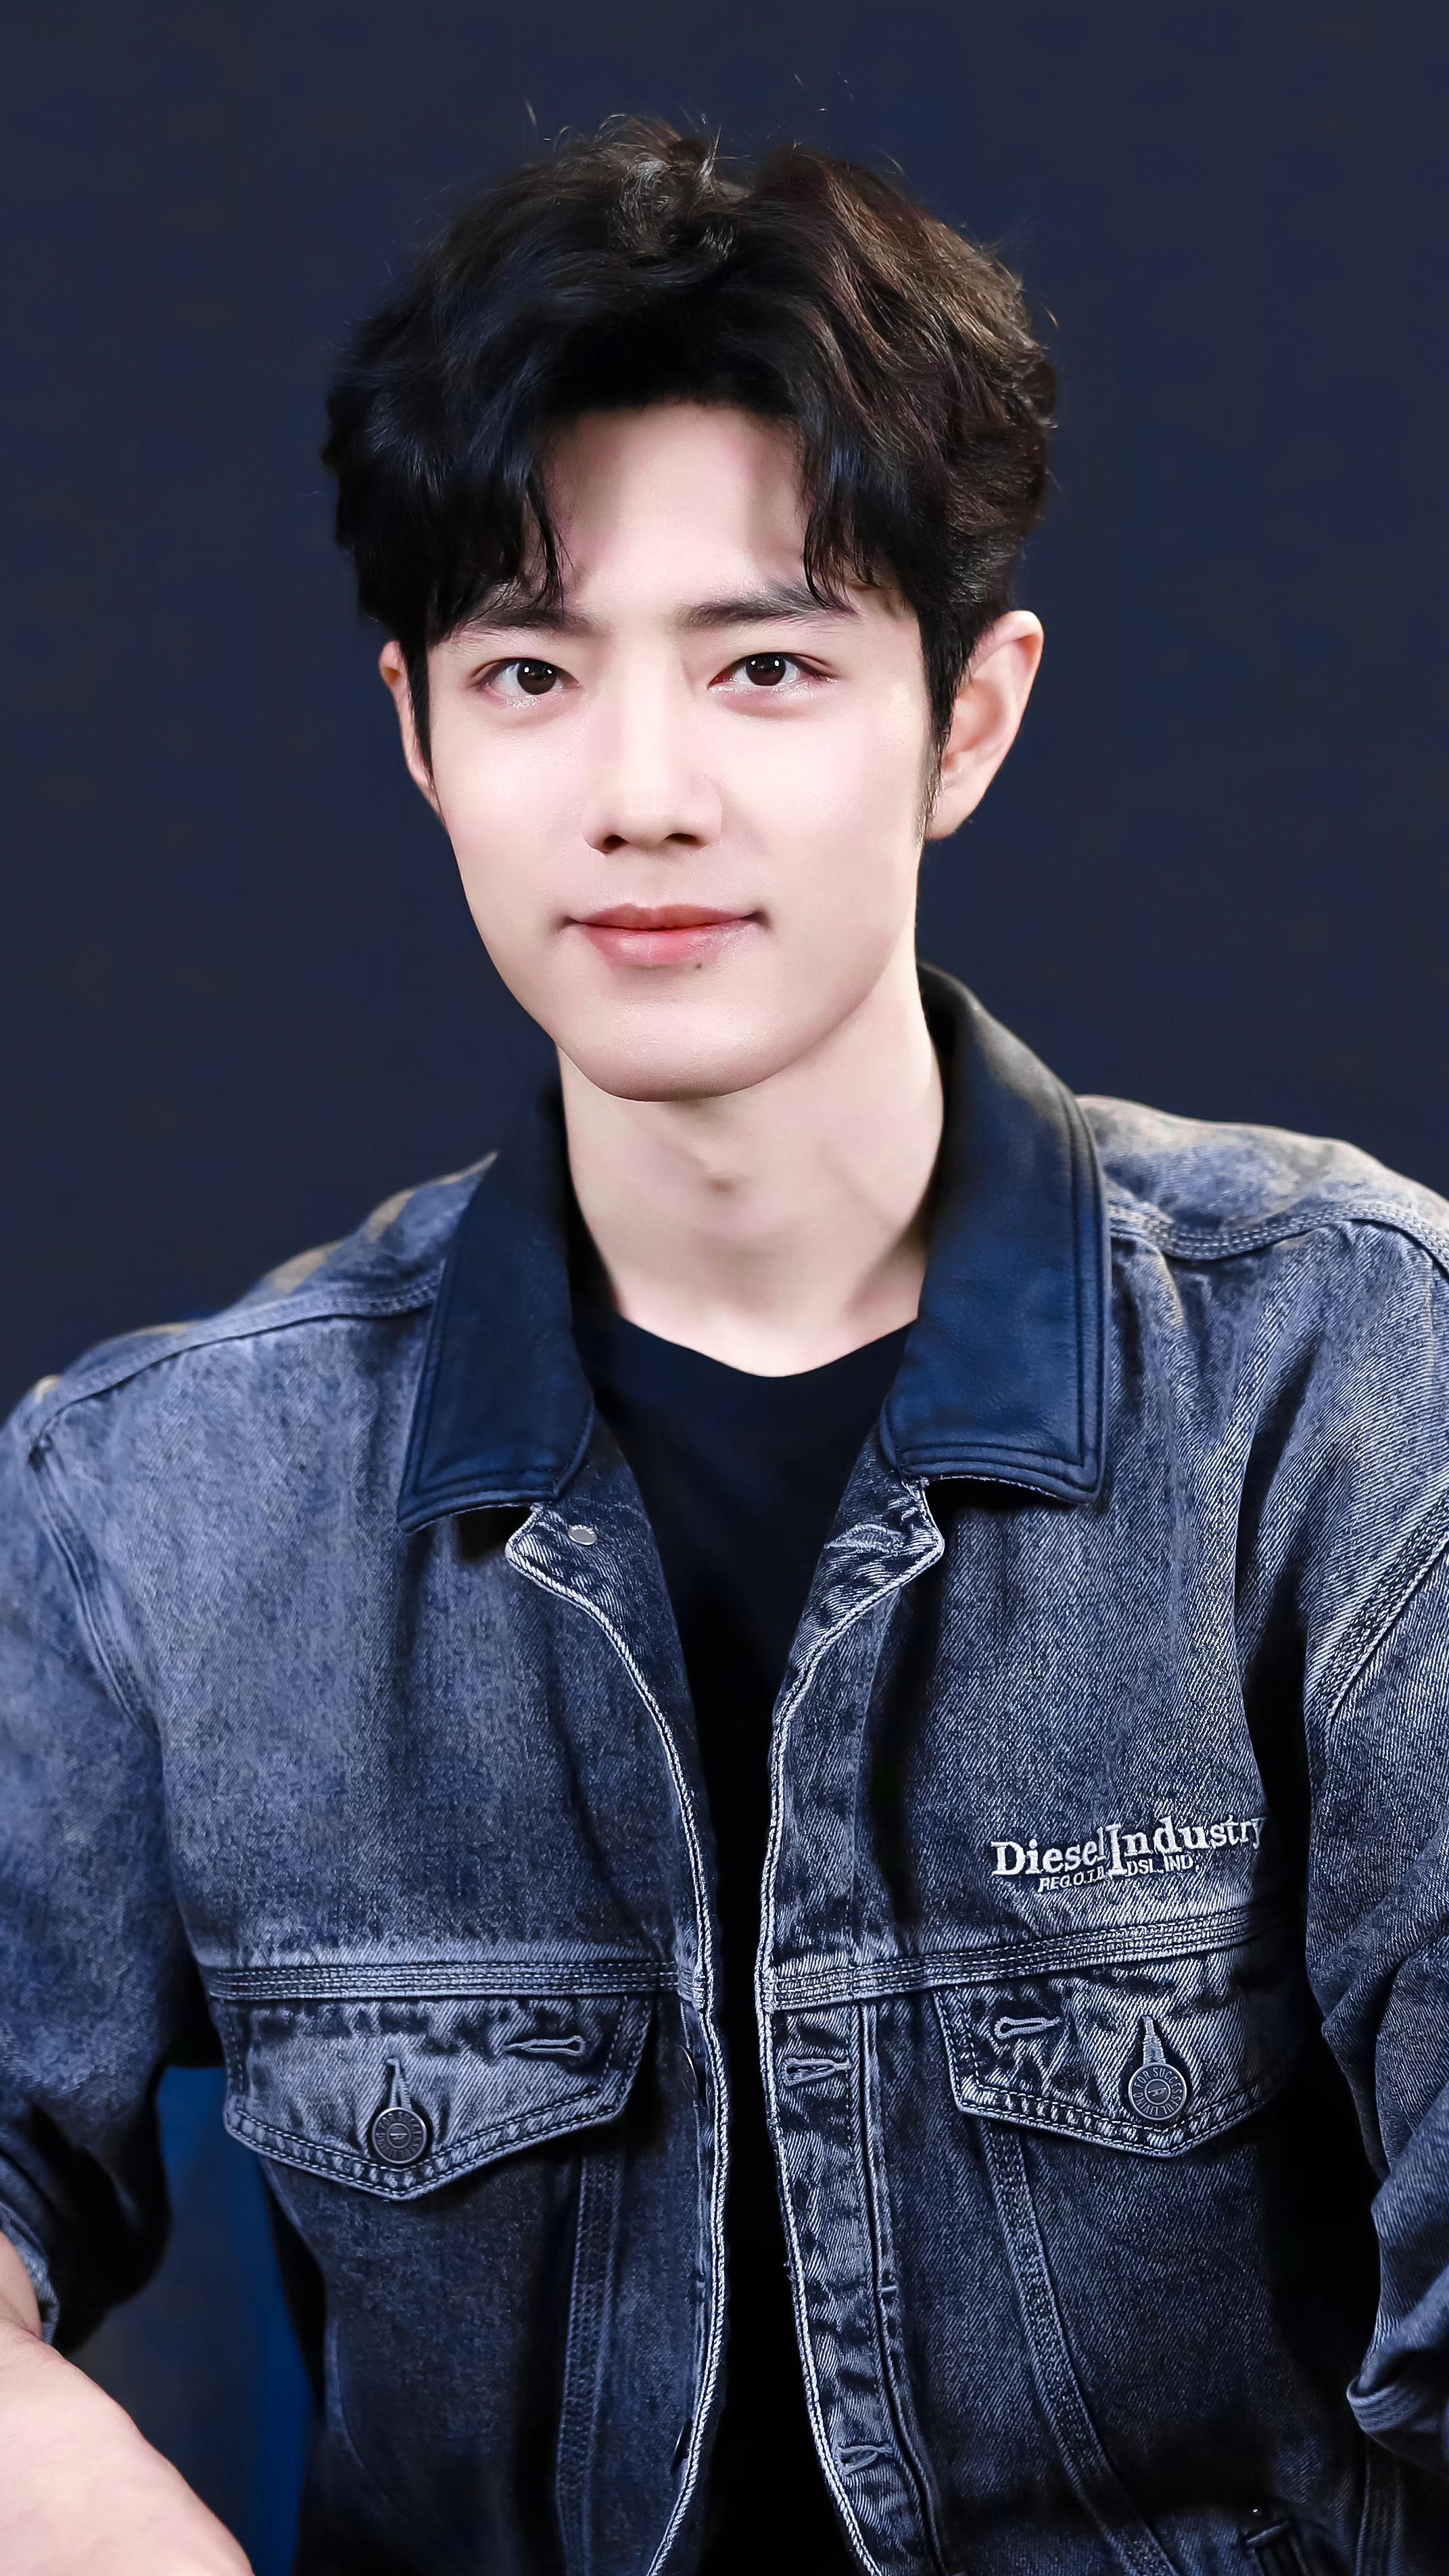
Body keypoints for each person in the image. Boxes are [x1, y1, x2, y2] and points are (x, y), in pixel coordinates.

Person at [1, 110, 1446, 2576]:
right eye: (532, 671)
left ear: (969, 719)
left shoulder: (1351, 1382)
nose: (643, 793)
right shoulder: (162, 1501)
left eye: (767, 663)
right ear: (418, 733)